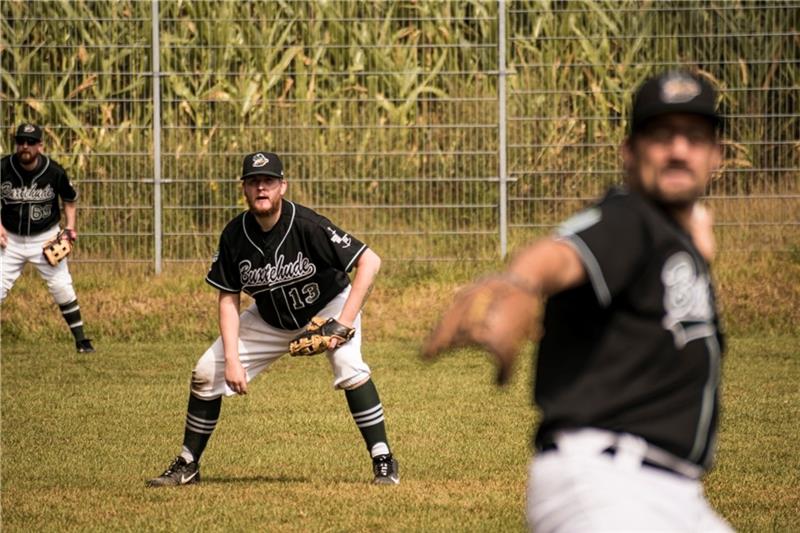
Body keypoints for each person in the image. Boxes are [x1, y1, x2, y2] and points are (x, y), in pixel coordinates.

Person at [423, 70, 732, 531]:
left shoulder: (672, 239)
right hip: (610, 486)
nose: (678, 150)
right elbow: (560, 255)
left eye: (694, 137)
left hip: (675, 495)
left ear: (717, 156)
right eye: (661, 135)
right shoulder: (629, 218)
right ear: (629, 152)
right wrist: (520, 284)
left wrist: (696, 249)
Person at [148, 151, 399, 487]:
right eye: (253, 182)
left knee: (349, 367)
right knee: (207, 372)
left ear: (283, 186)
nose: (261, 188)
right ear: (244, 189)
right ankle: (187, 464)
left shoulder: (307, 225)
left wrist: (345, 321)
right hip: (268, 320)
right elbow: (228, 296)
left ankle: (383, 458)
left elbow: (370, 261)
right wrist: (233, 361)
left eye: (268, 181)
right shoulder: (235, 235)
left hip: (328, 307)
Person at [1, 123, 95, 353]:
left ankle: (82, 341)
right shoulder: (4, 167)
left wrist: (70, 229)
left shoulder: (54, 171)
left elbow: (69, 199)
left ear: (40, 146)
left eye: (31, 142)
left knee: (62, 286)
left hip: (45, 239)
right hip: (9, 240)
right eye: (21, 141)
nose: (25, 146)